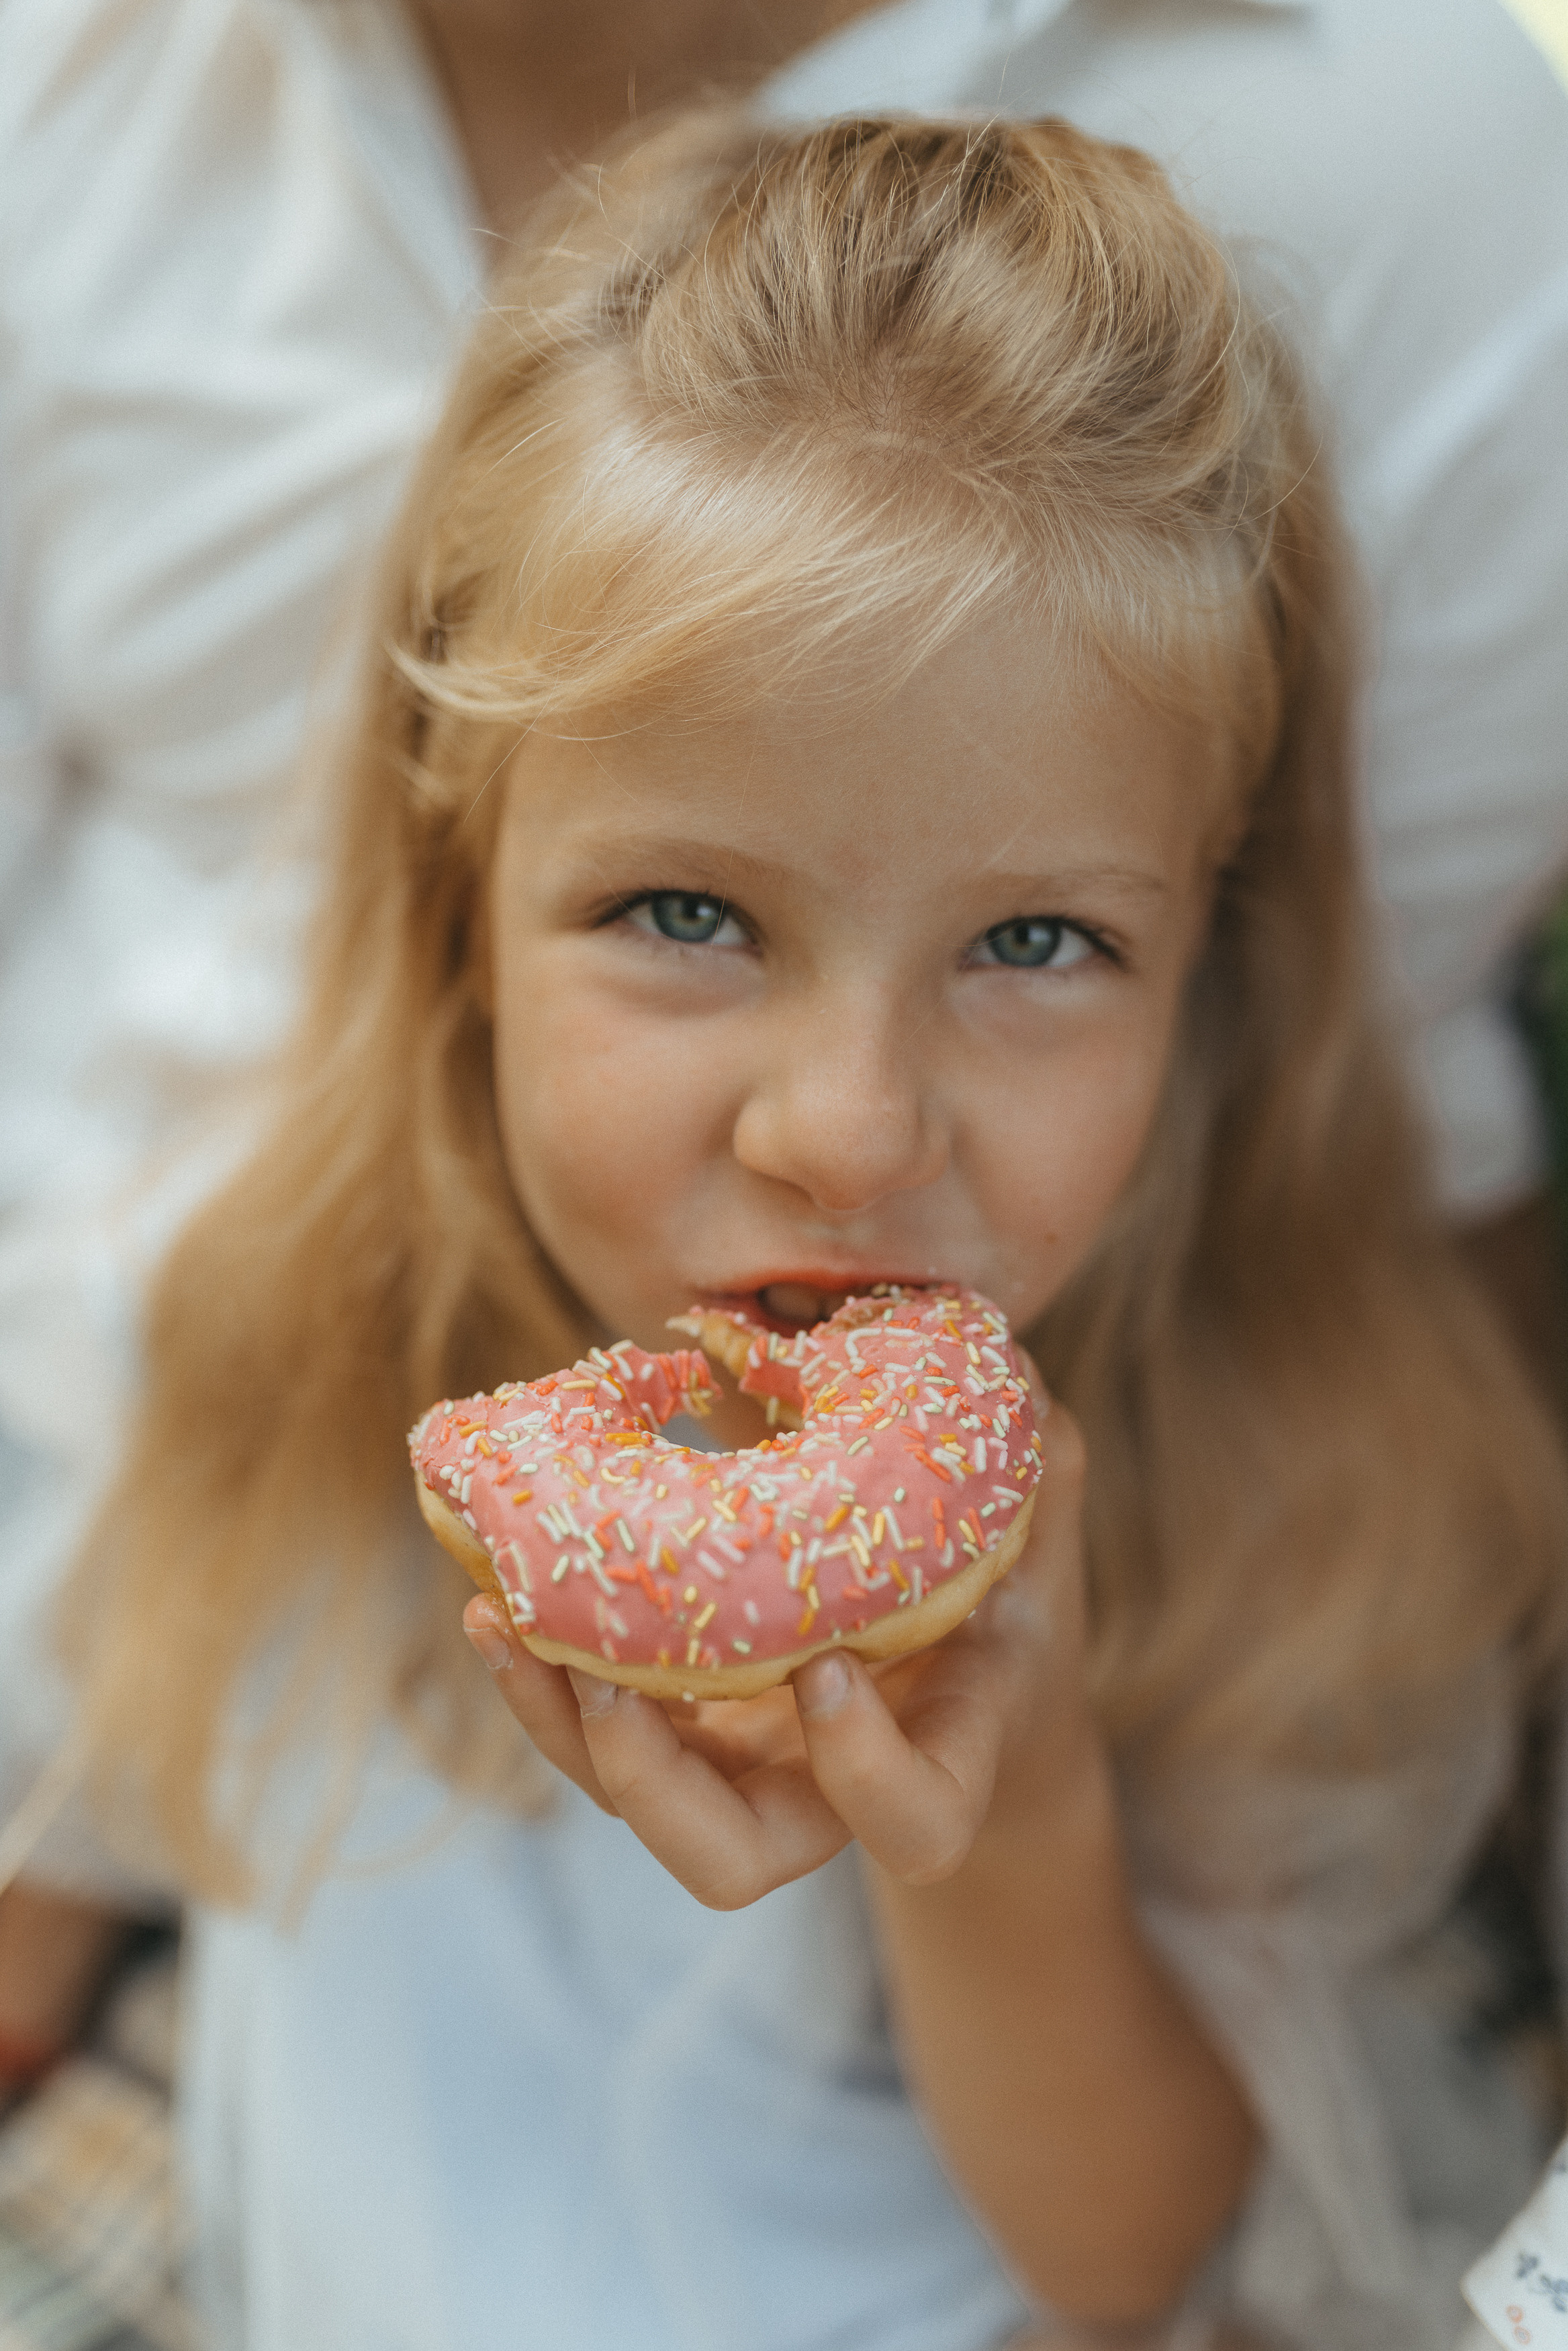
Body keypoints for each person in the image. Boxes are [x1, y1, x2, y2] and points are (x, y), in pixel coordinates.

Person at [44, 107, 1568, 2350]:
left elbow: (1144, 2260)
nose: (851, 1131)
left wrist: (1015, 1807)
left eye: (1038, 942)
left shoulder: (1268, 1529)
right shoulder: (270, 1371)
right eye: (689, 914)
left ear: (1204, 965)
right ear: (462, 912)